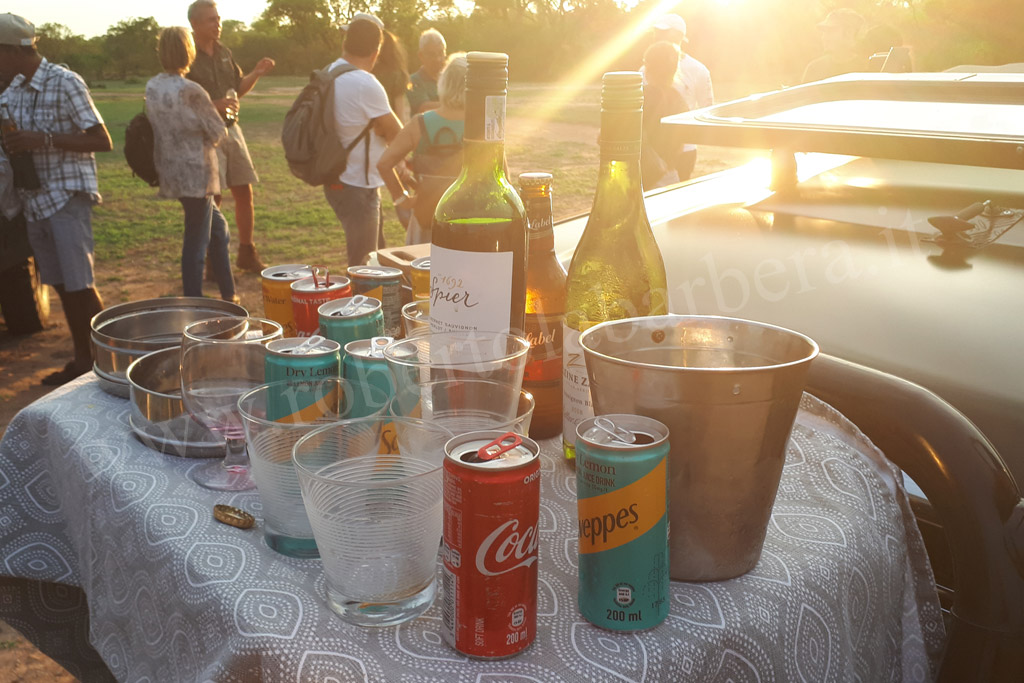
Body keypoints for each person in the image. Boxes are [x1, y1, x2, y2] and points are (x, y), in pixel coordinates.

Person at [0, 13, 111, 385]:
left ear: (12, 50)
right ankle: (84, 359)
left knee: (80, 284)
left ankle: (111, 361)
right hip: (34, 200)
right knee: (63, 285)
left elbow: (101, 139)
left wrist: (41, 140)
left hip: (66, 196)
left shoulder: (65, 82)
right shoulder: (12, 91)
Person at [146, 27, 236, 305]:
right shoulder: (192, 90)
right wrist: (228, 117)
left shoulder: (153, 86)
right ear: (189, 52)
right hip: (198, 172)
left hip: (170, 168)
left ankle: (229, 293)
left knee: (218, 231)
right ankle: (194, 302)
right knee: (197, 241)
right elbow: (218, 133)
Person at [187, 0, 275, 273]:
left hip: (231, 129)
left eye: (218, 18)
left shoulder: (224, 53)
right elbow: (181, 100)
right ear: (195, 24)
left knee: (244, 191)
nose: (217, 24)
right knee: (215, 197)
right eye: (211, 20)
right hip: (204, 134)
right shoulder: (186, 55)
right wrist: (213, 105)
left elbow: (237, 88)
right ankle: (214, 258)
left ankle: (246, 252)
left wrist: (256, 73)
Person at [324, 16, 403, 267]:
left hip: (334, 176)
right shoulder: (364, 82)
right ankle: (364, 304)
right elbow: (397, 133)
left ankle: (378, 301)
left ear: (345, 43)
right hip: (358, 183)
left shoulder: (328, 73)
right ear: (376, 51)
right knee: (364, 263)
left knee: (375, 254)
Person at [377, 53, 468, 245]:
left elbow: (384, 164)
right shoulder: (483, 127)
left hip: (426, 220)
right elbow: (505, 179)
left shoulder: (420, 123)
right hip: (470, 223)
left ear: (444, 83)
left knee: (423, 273)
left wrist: (402, 199)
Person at [649, 14, 713, 180]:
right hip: (650, 149)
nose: (657, 36)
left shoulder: (698, 70)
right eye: (656, 31)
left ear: (678, 36)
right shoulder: (646, 66)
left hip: (684, 151)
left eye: (663, 32)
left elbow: (707, 109)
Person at [640, 41, 687, 189]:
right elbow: (681, 143)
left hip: (643, 176)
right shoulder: (678, 99)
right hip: (669, 175)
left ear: (648, 67)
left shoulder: (639, 96)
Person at [802, 8, 866, 83]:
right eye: (824, 32)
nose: (824, 38)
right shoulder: (814, 69)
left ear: (849, 33)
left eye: (830, 31)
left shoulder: (867, 68)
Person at [407, 28, 446, 115]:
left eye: (441, 53)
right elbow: (424, 108)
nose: (438, 59)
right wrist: (457, 105)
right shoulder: (413, 81)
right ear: (421, 55)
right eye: (432, 54)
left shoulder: (450, 79)